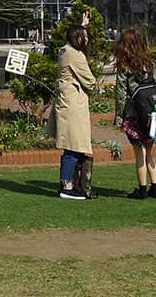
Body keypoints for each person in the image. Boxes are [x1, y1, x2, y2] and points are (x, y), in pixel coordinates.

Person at [114, 28, 156, 200]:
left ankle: (142, 189)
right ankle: (155, 187)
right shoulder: (150, 64)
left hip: (133, 113)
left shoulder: (125, 67)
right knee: (149, 151)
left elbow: (121, 94)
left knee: (139, 152)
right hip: (151, 114)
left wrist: (119, 117)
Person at [55, 20, 95, 200]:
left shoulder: (65, 51)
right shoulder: (75, 56)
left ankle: (71, 184)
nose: (87, 39)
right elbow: (90, 81)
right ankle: (67, 186)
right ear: (78, 39)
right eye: (85, 36)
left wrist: (82, 25)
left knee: (73, 145)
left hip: (67, 102)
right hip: (74, 104)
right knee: (73, 146)